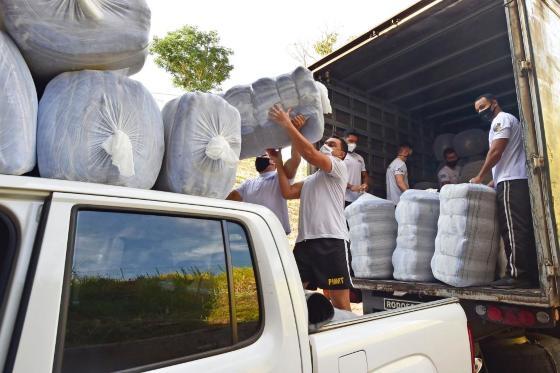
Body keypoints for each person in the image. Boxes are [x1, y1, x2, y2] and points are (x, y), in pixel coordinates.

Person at [267, 104, 351, 311]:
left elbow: (311, 155)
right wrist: (278, 163)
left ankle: (349, 340)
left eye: (332, 144)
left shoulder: (338, 169)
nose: (327, 145)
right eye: (326, 142)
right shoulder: (311, 180)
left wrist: (288, 124)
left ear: (341, 154)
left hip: (330, 240)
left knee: (339, 301)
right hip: (305, 243)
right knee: (295, 295)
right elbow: (287, 192)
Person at [470, 93, 537, 288]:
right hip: (509, 180)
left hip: (511, 181)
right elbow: (505, 158)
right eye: (478, 110)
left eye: (483, 106)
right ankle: (527, 273)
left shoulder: (502, 119)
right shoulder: (503, 121)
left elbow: (497, 151)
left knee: (513, 229)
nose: (481, 111)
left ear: (494, 103)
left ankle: (518, 275)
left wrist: (479, 176)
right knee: (517, 228)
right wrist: (491, 182)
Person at [226, 115, 306, 235]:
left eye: (266, 154)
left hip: (274, 234)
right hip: (253, 234)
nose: (261, 156)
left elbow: (296, 159)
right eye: (260, 154)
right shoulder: (248, 184)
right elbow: (229, 200)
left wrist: (295, 131)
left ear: (274, 161)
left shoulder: (280, 177)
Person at [344, 131, 369, 207]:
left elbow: (365, 175)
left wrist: (365, 184)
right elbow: (335, 178)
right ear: (344, 140)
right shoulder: (340, 156)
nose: (353, 144)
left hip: (357, 199)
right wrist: (351, 186)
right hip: (342, 198)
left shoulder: (360, 158)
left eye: (355, 142)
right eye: (350, 141)